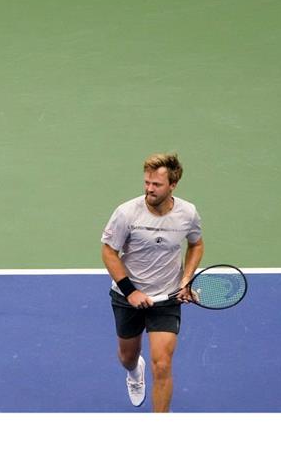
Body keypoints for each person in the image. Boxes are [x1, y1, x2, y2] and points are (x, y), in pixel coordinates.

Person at [100, 153, 204, 412]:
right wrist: (131, 291)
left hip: (167, 298)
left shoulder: (187, 213)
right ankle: (135, 372)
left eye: (156, 184)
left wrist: (186, 279)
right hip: (127, 297)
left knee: (163, 364)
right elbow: (108, 251)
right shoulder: (126, 213)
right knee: (127, 357)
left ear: (173, 185)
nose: (149, 188)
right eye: (147, 182)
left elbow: (196, 244)